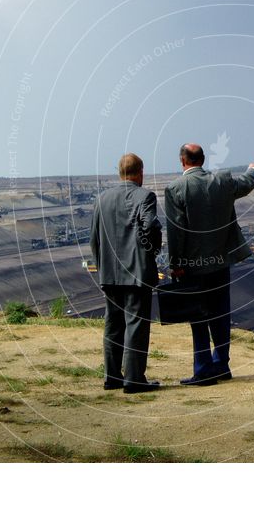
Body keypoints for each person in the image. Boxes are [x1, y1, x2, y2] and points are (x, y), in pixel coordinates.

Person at [164, 143, 254, 385]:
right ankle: (221, 365)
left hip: (192, 267)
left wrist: (175, 263)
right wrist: (253, 171)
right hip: (220, 263)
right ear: (202, 160)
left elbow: (176, 231)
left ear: (182, 161)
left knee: (198, 317)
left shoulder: (175, 189)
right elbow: (246, 184)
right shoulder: (222, 182)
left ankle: (203, 370)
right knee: (220, 314)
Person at [90, 152, 162, 394]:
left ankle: (112, 377)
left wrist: (102, 267)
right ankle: (134, 379)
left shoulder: (101, 199)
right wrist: (152, 250)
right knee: (136, 325)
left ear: (119, 173)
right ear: (141, 172)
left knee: (113, 324)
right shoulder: (145, 196)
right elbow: (150, 225)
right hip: (137, 273)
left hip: (109, 274)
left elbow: (94, 239)